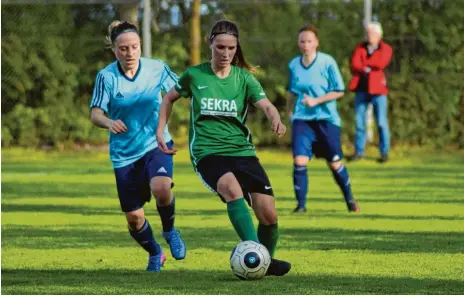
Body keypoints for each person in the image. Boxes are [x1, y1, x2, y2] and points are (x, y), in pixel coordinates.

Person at [156, 20, 291, 277]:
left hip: (242, 152)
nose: (226, 54)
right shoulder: (195, 75)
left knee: (269, 215)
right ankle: (259, 257)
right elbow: (168, 98)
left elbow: (266, 105)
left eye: (231, 48)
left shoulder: (244, 79)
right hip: (208, 152)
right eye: (220, 47)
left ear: (236, 47)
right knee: (232, 189)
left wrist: (275, 117)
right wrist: (160, 130)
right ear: (210, 44)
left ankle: (264, 260)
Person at [89, 21, 186, 272]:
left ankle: (170, 230)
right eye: (123, 49)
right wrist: (109, 122)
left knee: (162, 188)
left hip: (156, 142)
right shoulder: (107, 77)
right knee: (134, 217)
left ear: (140, 46)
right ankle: (155, 252)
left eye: (134, 47)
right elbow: (96, 114)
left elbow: (181, 89)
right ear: (115, 50)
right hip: (124, 154)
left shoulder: (157, 68)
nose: (129, 53)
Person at [286, 24, 360, 213]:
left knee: (334, 163)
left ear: (316, 43)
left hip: (326, 120)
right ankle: (301, 206)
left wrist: (317, 101)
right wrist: (289, 112)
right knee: (300, 161)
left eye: (309, 41)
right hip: (303, 120)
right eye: (302, 41)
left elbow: (339, 91)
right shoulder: (294, 64)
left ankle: (350, 200)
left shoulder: (327, 62)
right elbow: (291, 92)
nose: (305, 45)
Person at [348, 21, 393, 163]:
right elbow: (355, 63)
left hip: (378, 90)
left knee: (381, 122)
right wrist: (367, 67)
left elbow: (381, 63)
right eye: (368, 33)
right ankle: (358, 152)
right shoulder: (360, 48)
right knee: (359, 122)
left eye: (372, 33)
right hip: (361, 89)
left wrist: (365, 65)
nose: (369, 36)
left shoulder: (385, 48)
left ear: (379, 35)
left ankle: (384, 153)